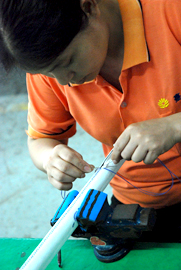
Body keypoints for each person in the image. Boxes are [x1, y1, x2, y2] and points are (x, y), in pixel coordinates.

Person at [1, 0, 181, 261]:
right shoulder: (50, 68)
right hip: (136, 205)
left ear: (89, 7)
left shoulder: (170, 11)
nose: (65, 81)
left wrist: (174, 126)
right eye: (51, 74)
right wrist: (51, 158)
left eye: (69, 61)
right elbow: (43, 139)